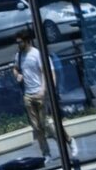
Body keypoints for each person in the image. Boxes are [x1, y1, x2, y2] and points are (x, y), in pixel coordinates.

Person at [13, 31, 66, 159]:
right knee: (36, 127)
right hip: (28, 94)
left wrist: (43, 89)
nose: (18, 45)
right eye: (17, 43)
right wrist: (17, 75)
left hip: (39, 93)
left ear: (27, 41)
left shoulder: (36, 54)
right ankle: (46, 153)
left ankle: (64, 142)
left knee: (45, 124)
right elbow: (15, 68)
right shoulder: (19, 55)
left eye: (20, 42)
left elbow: (44, 72)